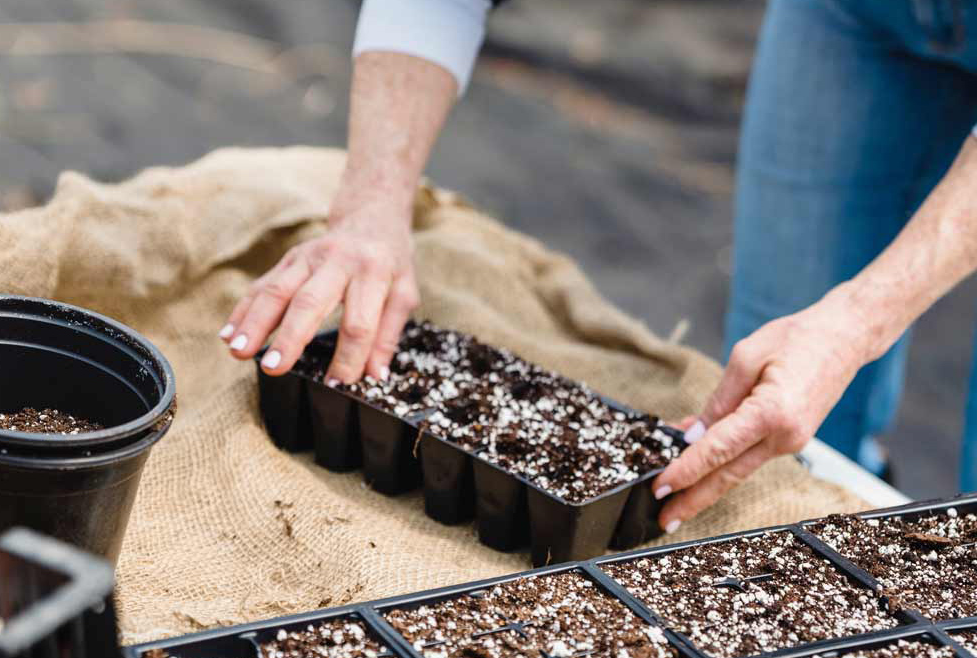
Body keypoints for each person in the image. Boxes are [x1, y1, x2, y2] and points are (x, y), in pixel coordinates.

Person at [221, 0, 977, 533]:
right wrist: (370, 207)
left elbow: (849, 324)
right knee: (780, 395)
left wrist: (857, 319)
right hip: (852, 15)